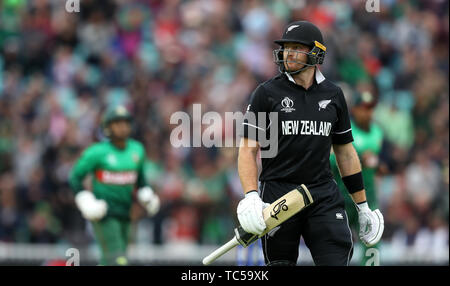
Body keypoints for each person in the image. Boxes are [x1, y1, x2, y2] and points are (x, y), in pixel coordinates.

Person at [237, 21, 384, 266]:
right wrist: (251, 196)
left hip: (322, 194)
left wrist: (363, 206)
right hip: (278, 195)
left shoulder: (334, 95)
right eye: (286, 47)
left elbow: (346, 153)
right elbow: (248, 148)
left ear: (316, 53)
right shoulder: (266, 93)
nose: (288, 53)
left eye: (296, 47)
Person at [69, 105, 160, 266]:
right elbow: (75, 178)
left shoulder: (137, 150)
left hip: (126, 213)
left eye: (125, 123)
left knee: (110, 259)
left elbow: (141, 181)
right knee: (118, 260)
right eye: (117, 123)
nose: (122, 127)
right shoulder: (97, 152)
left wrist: (148, 196)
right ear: (107, 127)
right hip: (104, 213)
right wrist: (85, 199)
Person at [330, 90, 385, 265]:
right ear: (355, 110)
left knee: (373, 240)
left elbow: (381, 162)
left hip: (369, 197)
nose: (367, 112)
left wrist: (380, 167)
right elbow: (332, 160)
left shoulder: (377, 132)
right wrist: (361, 159)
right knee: (336, 243)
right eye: (363, 108)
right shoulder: (346, 130)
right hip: (344, 197)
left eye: (370, 108)